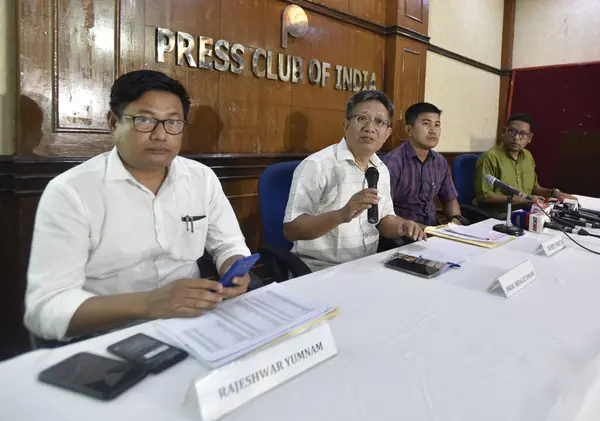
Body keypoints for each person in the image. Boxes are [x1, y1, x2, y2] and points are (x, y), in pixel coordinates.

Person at [25, 70, 253, 341]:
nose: (160, 135)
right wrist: (149, 303)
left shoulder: (200, 178)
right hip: (107, 335)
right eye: (144, 120)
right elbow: (45, 308)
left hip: (192, 322)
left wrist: (235, 268)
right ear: (113, 122)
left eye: (173, 122)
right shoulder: (71, 192)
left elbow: (228, 244)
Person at [283, 90, 426, 272]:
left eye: (379, 122)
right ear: (346, 124)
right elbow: (291, 229)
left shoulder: (381, 168)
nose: (370, 128)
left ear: (387, 133)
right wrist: (342, 214)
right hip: (321, 269)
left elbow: (383, 219)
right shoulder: (316, 165)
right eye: (362, 119)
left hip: (368, 266)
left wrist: (402, 226)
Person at [474, 113, 577, 214]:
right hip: (498, 216)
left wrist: (555, 193)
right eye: (512, 131)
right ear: (504, 132)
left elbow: (535, 188)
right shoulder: (490, 157)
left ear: (530, 138)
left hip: (526, 212)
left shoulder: (528, 156)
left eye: (522, 134)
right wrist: (523, 200)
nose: (516, 138)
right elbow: (485, 196)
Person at [382, 102, 462, 228]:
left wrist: (456, 222)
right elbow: (384, 214)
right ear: (409, 130)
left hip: (434, 231)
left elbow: (450, 199)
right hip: (402, 235)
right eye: (426, 124)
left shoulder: (440, 162)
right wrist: (424, 230)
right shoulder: (392, 163)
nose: (433, 131)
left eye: (437, 125)